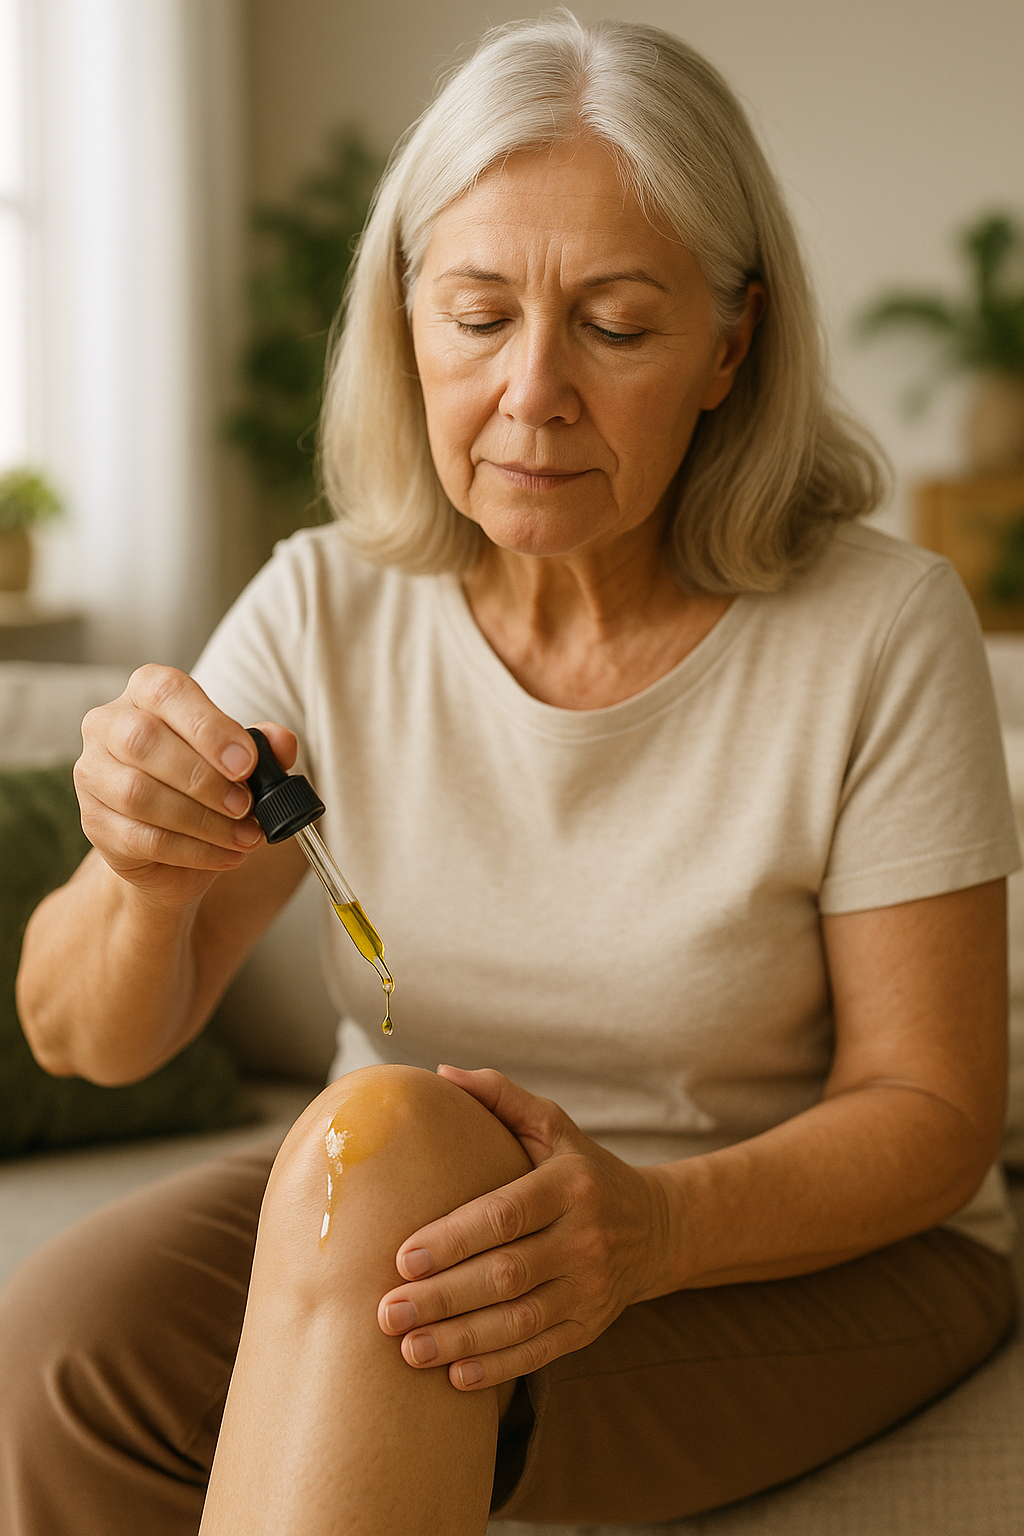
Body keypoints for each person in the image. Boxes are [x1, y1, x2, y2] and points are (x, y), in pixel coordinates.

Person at [3, 14, 1020, 1535]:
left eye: (615, 327)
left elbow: (936, 1109)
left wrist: (653, 1225)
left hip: (783, 1237)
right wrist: (145, 881)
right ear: (408, 316)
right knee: (72, 1337)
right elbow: (87, 1037)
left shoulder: (880, 629)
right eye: (478, 315)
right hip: (392, 1203)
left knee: (395, 1251)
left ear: (730, 346)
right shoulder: (322, 601)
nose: (533, 391)